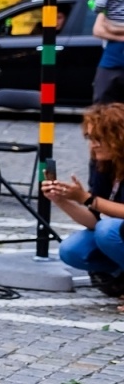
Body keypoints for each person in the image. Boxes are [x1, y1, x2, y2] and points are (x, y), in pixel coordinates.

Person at [45, 103, 124, 298]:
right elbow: (94, 220)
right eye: (90, 138)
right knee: (71, 249)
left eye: (99, 138)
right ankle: (120, 277)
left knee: (108, 231)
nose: (93, 144)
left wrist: (86, 198)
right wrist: (61, 200)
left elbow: (97, 206)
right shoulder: (101, 163)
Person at [93, 0, 124, 104]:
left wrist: (112, 29)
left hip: (112, 60)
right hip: (111, 61)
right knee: (101, 104)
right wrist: (120, 37)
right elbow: (98, 30)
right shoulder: (109, 1)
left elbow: (107, 28)